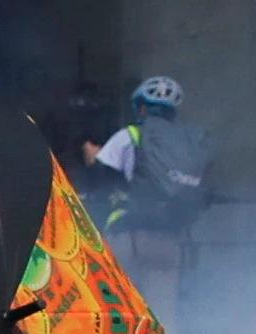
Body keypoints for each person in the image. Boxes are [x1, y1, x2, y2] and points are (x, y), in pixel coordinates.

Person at [89, 75, 210, 303]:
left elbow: (99, 184)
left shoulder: (130, 135)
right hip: (170, 241)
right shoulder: (187, 144)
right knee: (160, 315)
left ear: (141, 110)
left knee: (120, 311)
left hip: (128, 236)